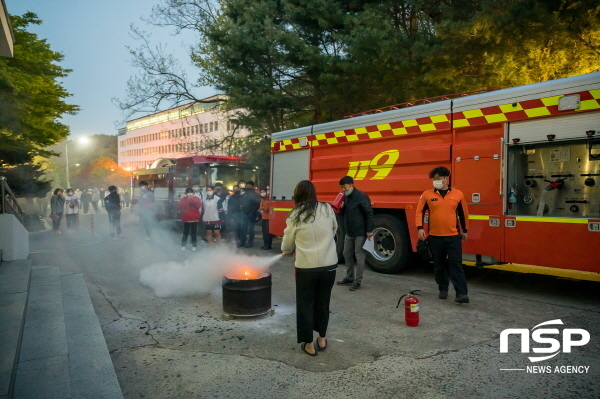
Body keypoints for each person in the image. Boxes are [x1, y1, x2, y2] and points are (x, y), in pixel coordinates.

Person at [281, 180, 338, 356]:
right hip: (329, 266)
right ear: (314, 193)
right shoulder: (327, 209)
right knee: (323, 302)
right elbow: (334, 229)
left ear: (297, 194)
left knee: (305, 305)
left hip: (306, 269)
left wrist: (288, 250)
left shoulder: (294, 216)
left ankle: (308, 344)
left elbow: (287, 245)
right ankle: (322, 338)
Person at [416, 166, 470, 304]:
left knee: (456, 265)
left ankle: (461, 293)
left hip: (453, 236)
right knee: (439, 265)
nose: (436, 181)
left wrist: (464, 230)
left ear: (446, 178)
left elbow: (463, 213)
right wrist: (420, 227)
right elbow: (419, 212)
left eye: (438, 179)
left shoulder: (458, 194)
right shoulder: (427, 194)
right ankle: (443, 288)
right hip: (435, 236)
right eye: (434, 179)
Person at [336, 176, 374, 291]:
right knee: (346, 254)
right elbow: (345, 214)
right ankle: (349, 277)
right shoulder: (346, 197)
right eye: (341, 187)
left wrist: (369, 230)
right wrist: (342, 208)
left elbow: (369, 213)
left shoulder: (361, 196)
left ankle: (357, 281)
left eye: (344, 187)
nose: (343, 189)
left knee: (359, 256)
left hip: (360, 232)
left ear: (351, 185)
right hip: (350, 231)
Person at [238, 180, 261, 248]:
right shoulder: (244, 194)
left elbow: (257, 204)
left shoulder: (256, 195)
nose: (248, 187)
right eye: (247, 186)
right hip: (244, 213)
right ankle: (242, 242)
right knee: (243, 229)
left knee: (251, 229)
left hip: (251, 214)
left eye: (250, 186)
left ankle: (250, 243)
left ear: (253, 187)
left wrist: (253, 211)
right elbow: (241, 202)